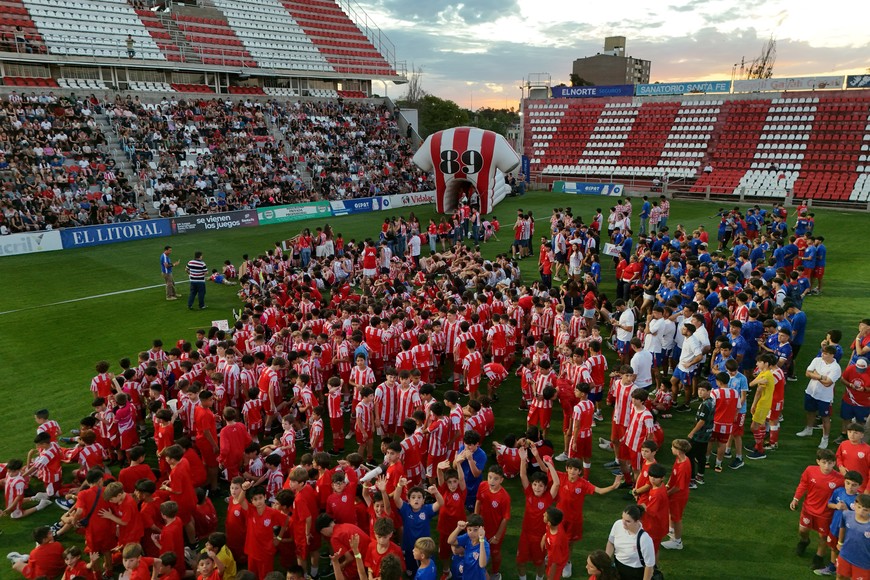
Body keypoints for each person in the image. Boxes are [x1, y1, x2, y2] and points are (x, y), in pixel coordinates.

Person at [791, 448, 846, 571]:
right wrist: (796, 499)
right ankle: (805, 541)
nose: (827, 466)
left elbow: (849, 491)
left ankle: (818, 558)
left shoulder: (839, 479)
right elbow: (803, 484)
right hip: (808, 509)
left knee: (823, 536)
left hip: (826, 514)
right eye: (824, 462)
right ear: (818, 461)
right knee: (802, 530)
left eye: (830, 463)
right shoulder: (809, 470)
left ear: (834, 463)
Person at [796, 346, 843, 449]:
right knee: (810, 411)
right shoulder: (817, 360)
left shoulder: (836, 368)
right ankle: (808, 429)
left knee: (825, 418)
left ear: (832, 355)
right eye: (823, 353)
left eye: (825, 354)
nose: (823, 355)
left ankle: (825, 439)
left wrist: (816, 375)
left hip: (824, 397)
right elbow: (807, 373)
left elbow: (827, 384)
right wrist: (821, 377)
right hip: (811, 392)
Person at [606, 505, 656, 580]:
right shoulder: (617, 524)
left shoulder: (645, 539)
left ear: (637, 521)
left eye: (628, 521)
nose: (623, 523)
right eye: (623, 518)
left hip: (634, 573)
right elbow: (611, 542)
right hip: (618, 566)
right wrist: (606, 560)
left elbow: (649, 566)